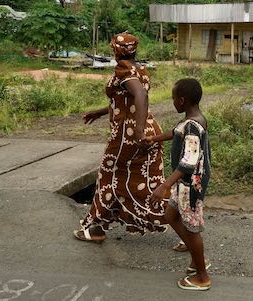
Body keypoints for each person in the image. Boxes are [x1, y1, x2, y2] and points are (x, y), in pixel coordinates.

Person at [73, 32, 170, 241]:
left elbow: (140, 96)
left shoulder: (124, 69)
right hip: (150, 130)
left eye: (113, 48)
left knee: (108, 176)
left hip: (128, 135)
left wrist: (137, 130)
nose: (113, 51)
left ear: (118, 50)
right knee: (145, 182)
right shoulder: (140, 69)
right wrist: (98, 113)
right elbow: (126, 102)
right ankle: (185, 226)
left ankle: (96, 228)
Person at [144, 78, 211, 291]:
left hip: (190, 184)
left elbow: (189, 161)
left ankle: (202, 276)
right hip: (184, 182)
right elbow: (174, 133)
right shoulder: (190, 119)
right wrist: (154, 139)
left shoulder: (192, 125)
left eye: (173, 98)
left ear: (181, 101)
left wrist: (164, 185)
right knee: (171, 216)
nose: (172, 102)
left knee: (191, 229)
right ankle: (196, 258)